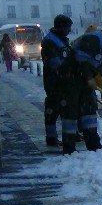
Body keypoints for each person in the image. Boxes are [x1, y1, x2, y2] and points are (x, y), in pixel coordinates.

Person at [58, 25, 102, 154]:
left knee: (89, 109)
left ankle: (93, 144)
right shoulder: (94, 39)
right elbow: (81, 60)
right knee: (71, 111)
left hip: (85, 80)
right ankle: (69, 148)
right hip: (70, 78)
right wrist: (89, 78)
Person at [41, 14, 73, 147]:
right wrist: (66, 70)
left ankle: (70, 136)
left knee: (65, 108)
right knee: (53, 109)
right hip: (54, 81)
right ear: (60, 27)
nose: (69, 30)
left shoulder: (62, 39)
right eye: (67, 27)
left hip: (64, 81)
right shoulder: (50, 41)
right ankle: (51, 138)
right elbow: (54, 62)